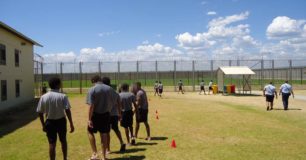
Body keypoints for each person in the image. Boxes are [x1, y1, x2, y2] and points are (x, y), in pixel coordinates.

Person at [37, 77, 74, 160]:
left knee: (52, 144)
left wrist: (43, 125)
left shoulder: (44, 97)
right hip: (61, 121)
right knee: (63, 141)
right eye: (60, 83)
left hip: (49, 122)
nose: (61, 84)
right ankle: (65, 158)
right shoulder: (63, 96)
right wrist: (71, 123)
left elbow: (40, 112)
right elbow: (67, 110)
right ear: (57, 84)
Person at [86, 75, 113, 160]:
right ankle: (104, 157)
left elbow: (91, 106)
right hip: (106, 114)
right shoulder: (109, 89)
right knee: (104, 135)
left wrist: (89, 119)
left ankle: (95, 154)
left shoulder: (92, 89)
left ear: (94, 81)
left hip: (95, 115)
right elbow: (114, 101)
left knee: (90, 131)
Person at [102, 77, 126, 153]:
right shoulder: (115, 92)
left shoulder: (104, 92)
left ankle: (108, 149)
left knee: (107, 131)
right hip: (115, 114)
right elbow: (119, 104)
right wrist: (120, 114)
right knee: (116, 129)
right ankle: (122, 142)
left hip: (107, 114)